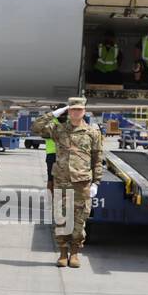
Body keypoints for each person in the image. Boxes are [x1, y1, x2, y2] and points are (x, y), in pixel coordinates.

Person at [31, 96, 104, 267]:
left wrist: (96, 183)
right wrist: (54, 113)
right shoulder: (59, 129)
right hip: (62, 181)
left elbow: (97, 159)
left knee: (79, 220)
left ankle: (75, 253)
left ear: (84, 111)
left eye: (79, 109)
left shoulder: (92, 132)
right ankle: (63, 253)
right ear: (68, 111)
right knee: (62, 219)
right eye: (72, 109)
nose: (76, 112)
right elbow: (36, 127)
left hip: (82, 183)